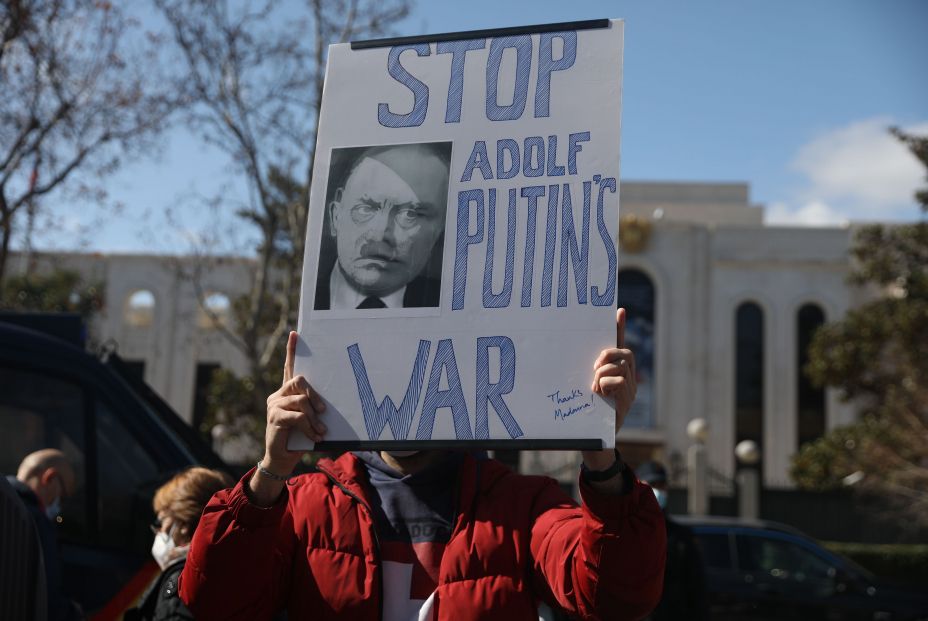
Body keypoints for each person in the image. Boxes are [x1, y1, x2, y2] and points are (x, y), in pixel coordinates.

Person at [180, 309, 666, 620]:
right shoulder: (303, 503)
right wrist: (270, 472)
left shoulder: (521, 506)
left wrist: (600, 455)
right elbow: (214, 601)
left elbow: (616, 598)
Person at [314, 142, 451, 310]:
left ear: (439, 229)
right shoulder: (295, 299)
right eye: (365, 209)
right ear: (335, 216)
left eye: (410, 215)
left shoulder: (451, 311)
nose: (379, 235)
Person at [125, 467, 233, 621]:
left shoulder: (183, 582)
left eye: (160, 522)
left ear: (183, 525)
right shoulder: (234, 568)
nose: (158, 531)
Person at [7, 449, 82, 621]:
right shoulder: (37, 523)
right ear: (50, 478)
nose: (60, 507)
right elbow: (47, 599)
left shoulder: (6, 503)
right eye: (63, 497)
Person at [635, 461, 710, 621]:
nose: (657, 491)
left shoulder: (681, 536)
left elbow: (696, 588)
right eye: (652, 485)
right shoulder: (627, 531)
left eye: (661, 485)